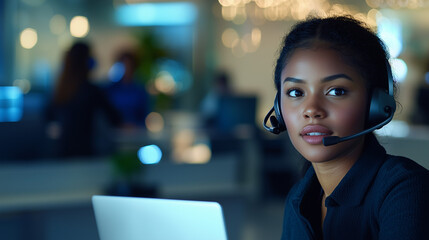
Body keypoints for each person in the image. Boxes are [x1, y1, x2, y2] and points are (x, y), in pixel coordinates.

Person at [263, 16, 429, 239]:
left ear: (376, 105)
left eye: (336, 91)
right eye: (296, 92)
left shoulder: (406, 189)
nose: (311, 109)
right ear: (278, 108)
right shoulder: (299, 198)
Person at [46, 42, 122, 158]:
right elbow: (114, 117)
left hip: (62, 151)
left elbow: (47, 115)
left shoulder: (61, 89)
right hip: (84, 152)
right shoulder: (90, 90)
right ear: (87, 62)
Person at [105, 50, 150, 128]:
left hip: (135, 132)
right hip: (113, 132)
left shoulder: (140, 90)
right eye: (124, 65)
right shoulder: (110, 89)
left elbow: (144, 114)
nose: (127, 68)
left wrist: (135, 126)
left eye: (129, 65)